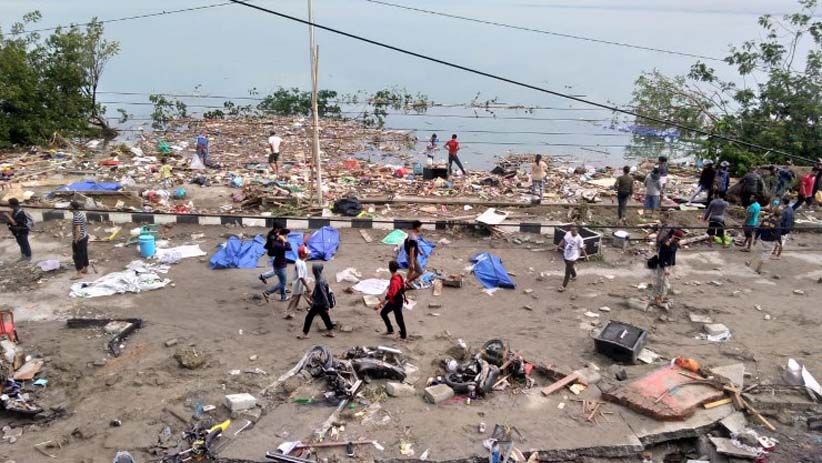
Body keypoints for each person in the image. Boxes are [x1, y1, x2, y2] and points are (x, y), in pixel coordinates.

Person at [298, 264, 335, 339]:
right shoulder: (321, 278)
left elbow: (324, 294)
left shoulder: (319, 282)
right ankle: (331, 332)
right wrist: (313, 295)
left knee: (309, 317)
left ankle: (305, 334)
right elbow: (324, 289)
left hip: (319, 304)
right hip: (319, 302)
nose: (312, 270)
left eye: (313, 269)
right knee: (325, 317)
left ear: (315, 270)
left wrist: (327, 306)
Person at [377, 260, 409, 340]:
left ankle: (403, 336)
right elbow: (402, 287)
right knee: (384, 313)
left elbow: (390, 294)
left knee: (398, 318)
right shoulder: (399, 276)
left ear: (389, 269)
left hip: (395, 301)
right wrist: (404, 297)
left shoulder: (394, 281)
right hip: (397, 300)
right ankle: (391, 330)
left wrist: (380, 304)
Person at [654, 226, 685, 306]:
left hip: (669, 264)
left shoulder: (675, 244)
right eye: (676, 238)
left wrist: (671, 266)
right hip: (663, 265)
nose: (677, 240)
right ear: (673, 236)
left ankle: (662, 296)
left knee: (665, 281)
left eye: (679, 239)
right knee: (661, 281)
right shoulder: (666, 244)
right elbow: (662, 257)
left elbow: (672, 255)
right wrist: (665, 268)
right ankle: (658, 297)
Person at [261, 228, 291, 302]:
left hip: (279, 264)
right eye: (285, 235)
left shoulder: (277, 242)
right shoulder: (278, 244)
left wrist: (281, 238)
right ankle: (267, 292)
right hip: (280, 266)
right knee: (282, 283)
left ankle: (283, 297)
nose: (286, 237)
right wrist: (284, 240)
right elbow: (289, 248)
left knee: (281, 282)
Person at [556, 224, 587, 292]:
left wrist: (585, 256)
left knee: (567, 271)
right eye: (571, 230)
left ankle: (563, 286)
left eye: (574, 230)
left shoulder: (579, 239)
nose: (572, 232)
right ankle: (574, 276)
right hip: (566, 254)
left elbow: (582, 248)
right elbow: (563, 240)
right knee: (568, 265)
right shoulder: (568, 234)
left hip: (574, 256)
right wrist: (558, 246)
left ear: (577, 230)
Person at [285, 247, 311, 319]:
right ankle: (289, 313)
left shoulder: (301, 261)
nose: (307, 254)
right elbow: (301, 277)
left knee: (308, 297)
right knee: (296, 299)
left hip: (301, 284)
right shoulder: (299, 263)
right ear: (302, 254)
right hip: (300, 284)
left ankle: (290, 313)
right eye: (306, 254)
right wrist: (307, 286)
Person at [70, 200, 90, 278]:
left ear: (72, 207)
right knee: (84, 253)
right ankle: (85, 269)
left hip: (80, 238)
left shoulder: (76, 217)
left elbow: (78, 229)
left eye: (69, 206)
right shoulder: (81, 213)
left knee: (77, 256)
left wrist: (76, 240)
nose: (68, 207)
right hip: (85, 236)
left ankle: (79, 274)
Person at [404, 220, 423, 286]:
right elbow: (412, 250)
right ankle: (408, 281)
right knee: (420, 271)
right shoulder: (413, 238)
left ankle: (406, 282)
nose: (421, 228)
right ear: (417, 227)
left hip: (408, 255)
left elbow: (414, 245)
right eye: (420, 227)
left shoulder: (411, 233)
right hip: (412, 257)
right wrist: (412, 262)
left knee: (411, 270)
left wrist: (420, 251)